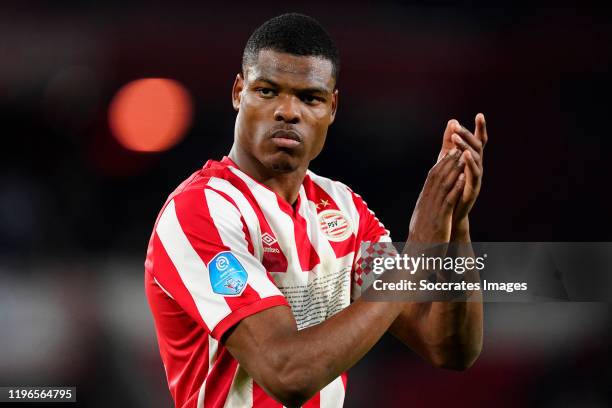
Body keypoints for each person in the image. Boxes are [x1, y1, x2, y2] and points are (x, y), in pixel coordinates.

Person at [145, 12, 487, 408]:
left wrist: (455, 222)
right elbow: (287, 373)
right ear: (239, 92)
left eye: (309, 97)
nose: (288, 111)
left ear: (333, 107)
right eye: (268, 91)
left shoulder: (343, 210)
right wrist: (415, 253)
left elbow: (449, 348)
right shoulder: (200, 211)